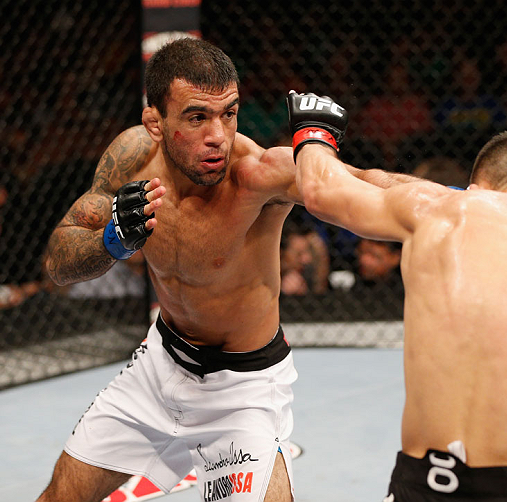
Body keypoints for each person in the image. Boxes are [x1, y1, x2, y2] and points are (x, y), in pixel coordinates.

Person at [36, 38, 419, 502]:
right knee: (60, 495)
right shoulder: (132, 158)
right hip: (159, 366)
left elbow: (374, 185)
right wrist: (110, 241)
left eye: (229, 113)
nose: (219, 134)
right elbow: (58, 261)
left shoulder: (259, 174)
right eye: (197, 117)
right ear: (155, 122)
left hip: (244, 389)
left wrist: (470, 204)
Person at [287, 91, 507, 501]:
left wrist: (315, 130)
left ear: (475, 190)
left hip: (430, 483)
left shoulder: (442, 211)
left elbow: (318, 190)